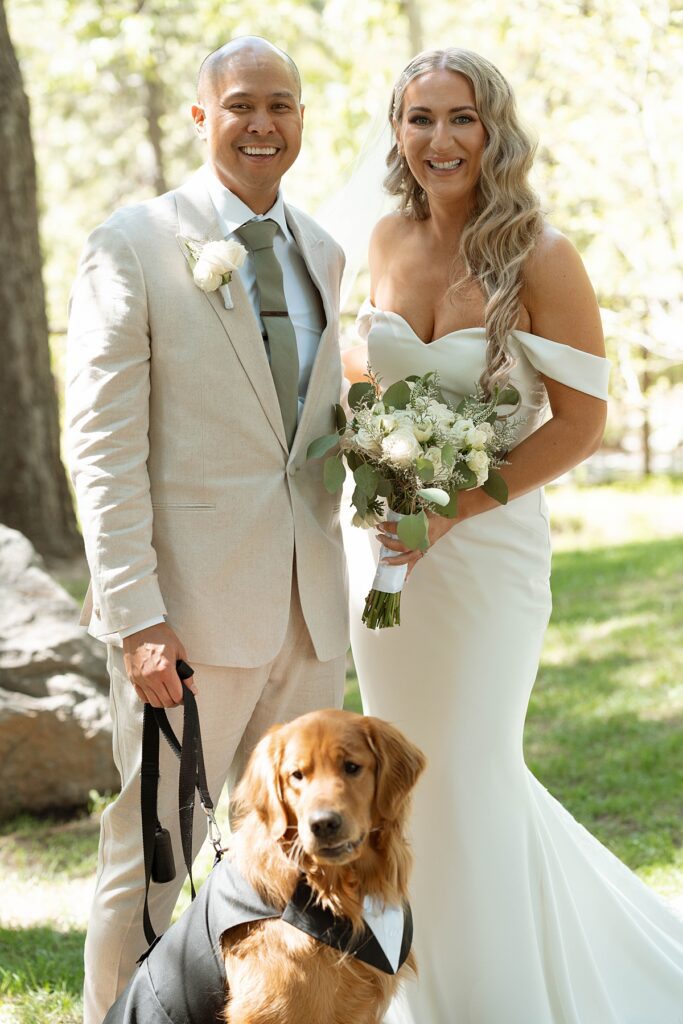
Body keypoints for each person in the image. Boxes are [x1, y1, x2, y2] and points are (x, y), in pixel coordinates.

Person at [344, 48, 683, 1023]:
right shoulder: (383, 235)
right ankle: (420, 992)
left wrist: (451, 507)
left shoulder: (541, 254)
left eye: (459, 119)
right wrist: (376, 459)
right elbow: (372, 378)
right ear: (397, 132)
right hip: (387, 552)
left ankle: (502, 1000)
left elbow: (581, 424)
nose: (437, 140)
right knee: (400, 781)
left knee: (471, 766)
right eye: (418, 119)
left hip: (484, 555)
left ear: (493, 131)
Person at [66, 36, 348, 1024]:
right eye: (240, 105)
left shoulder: (323, 250)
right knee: (150, 860)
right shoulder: (133, 242)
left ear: (302, 119)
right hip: (183, 623)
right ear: (201, 117)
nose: (261, 123)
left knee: (285, 856)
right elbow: (100, 445)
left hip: (307, 617)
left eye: (281, 104)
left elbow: (306, 440)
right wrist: (139, 616)